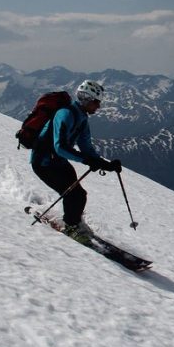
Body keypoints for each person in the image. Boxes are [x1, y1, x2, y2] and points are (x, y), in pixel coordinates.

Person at [31, 80, 121, 243]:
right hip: (43, 163)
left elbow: (86, 146)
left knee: (79, 195)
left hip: (57, 162)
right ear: (86, 99)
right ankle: (71, 227)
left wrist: (104, 164)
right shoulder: (65, 114)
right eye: (96, 102)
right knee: (74, 194)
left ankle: (74, 222)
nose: (98, 107)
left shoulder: (82, 118)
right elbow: (60, 147)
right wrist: (87, 160)